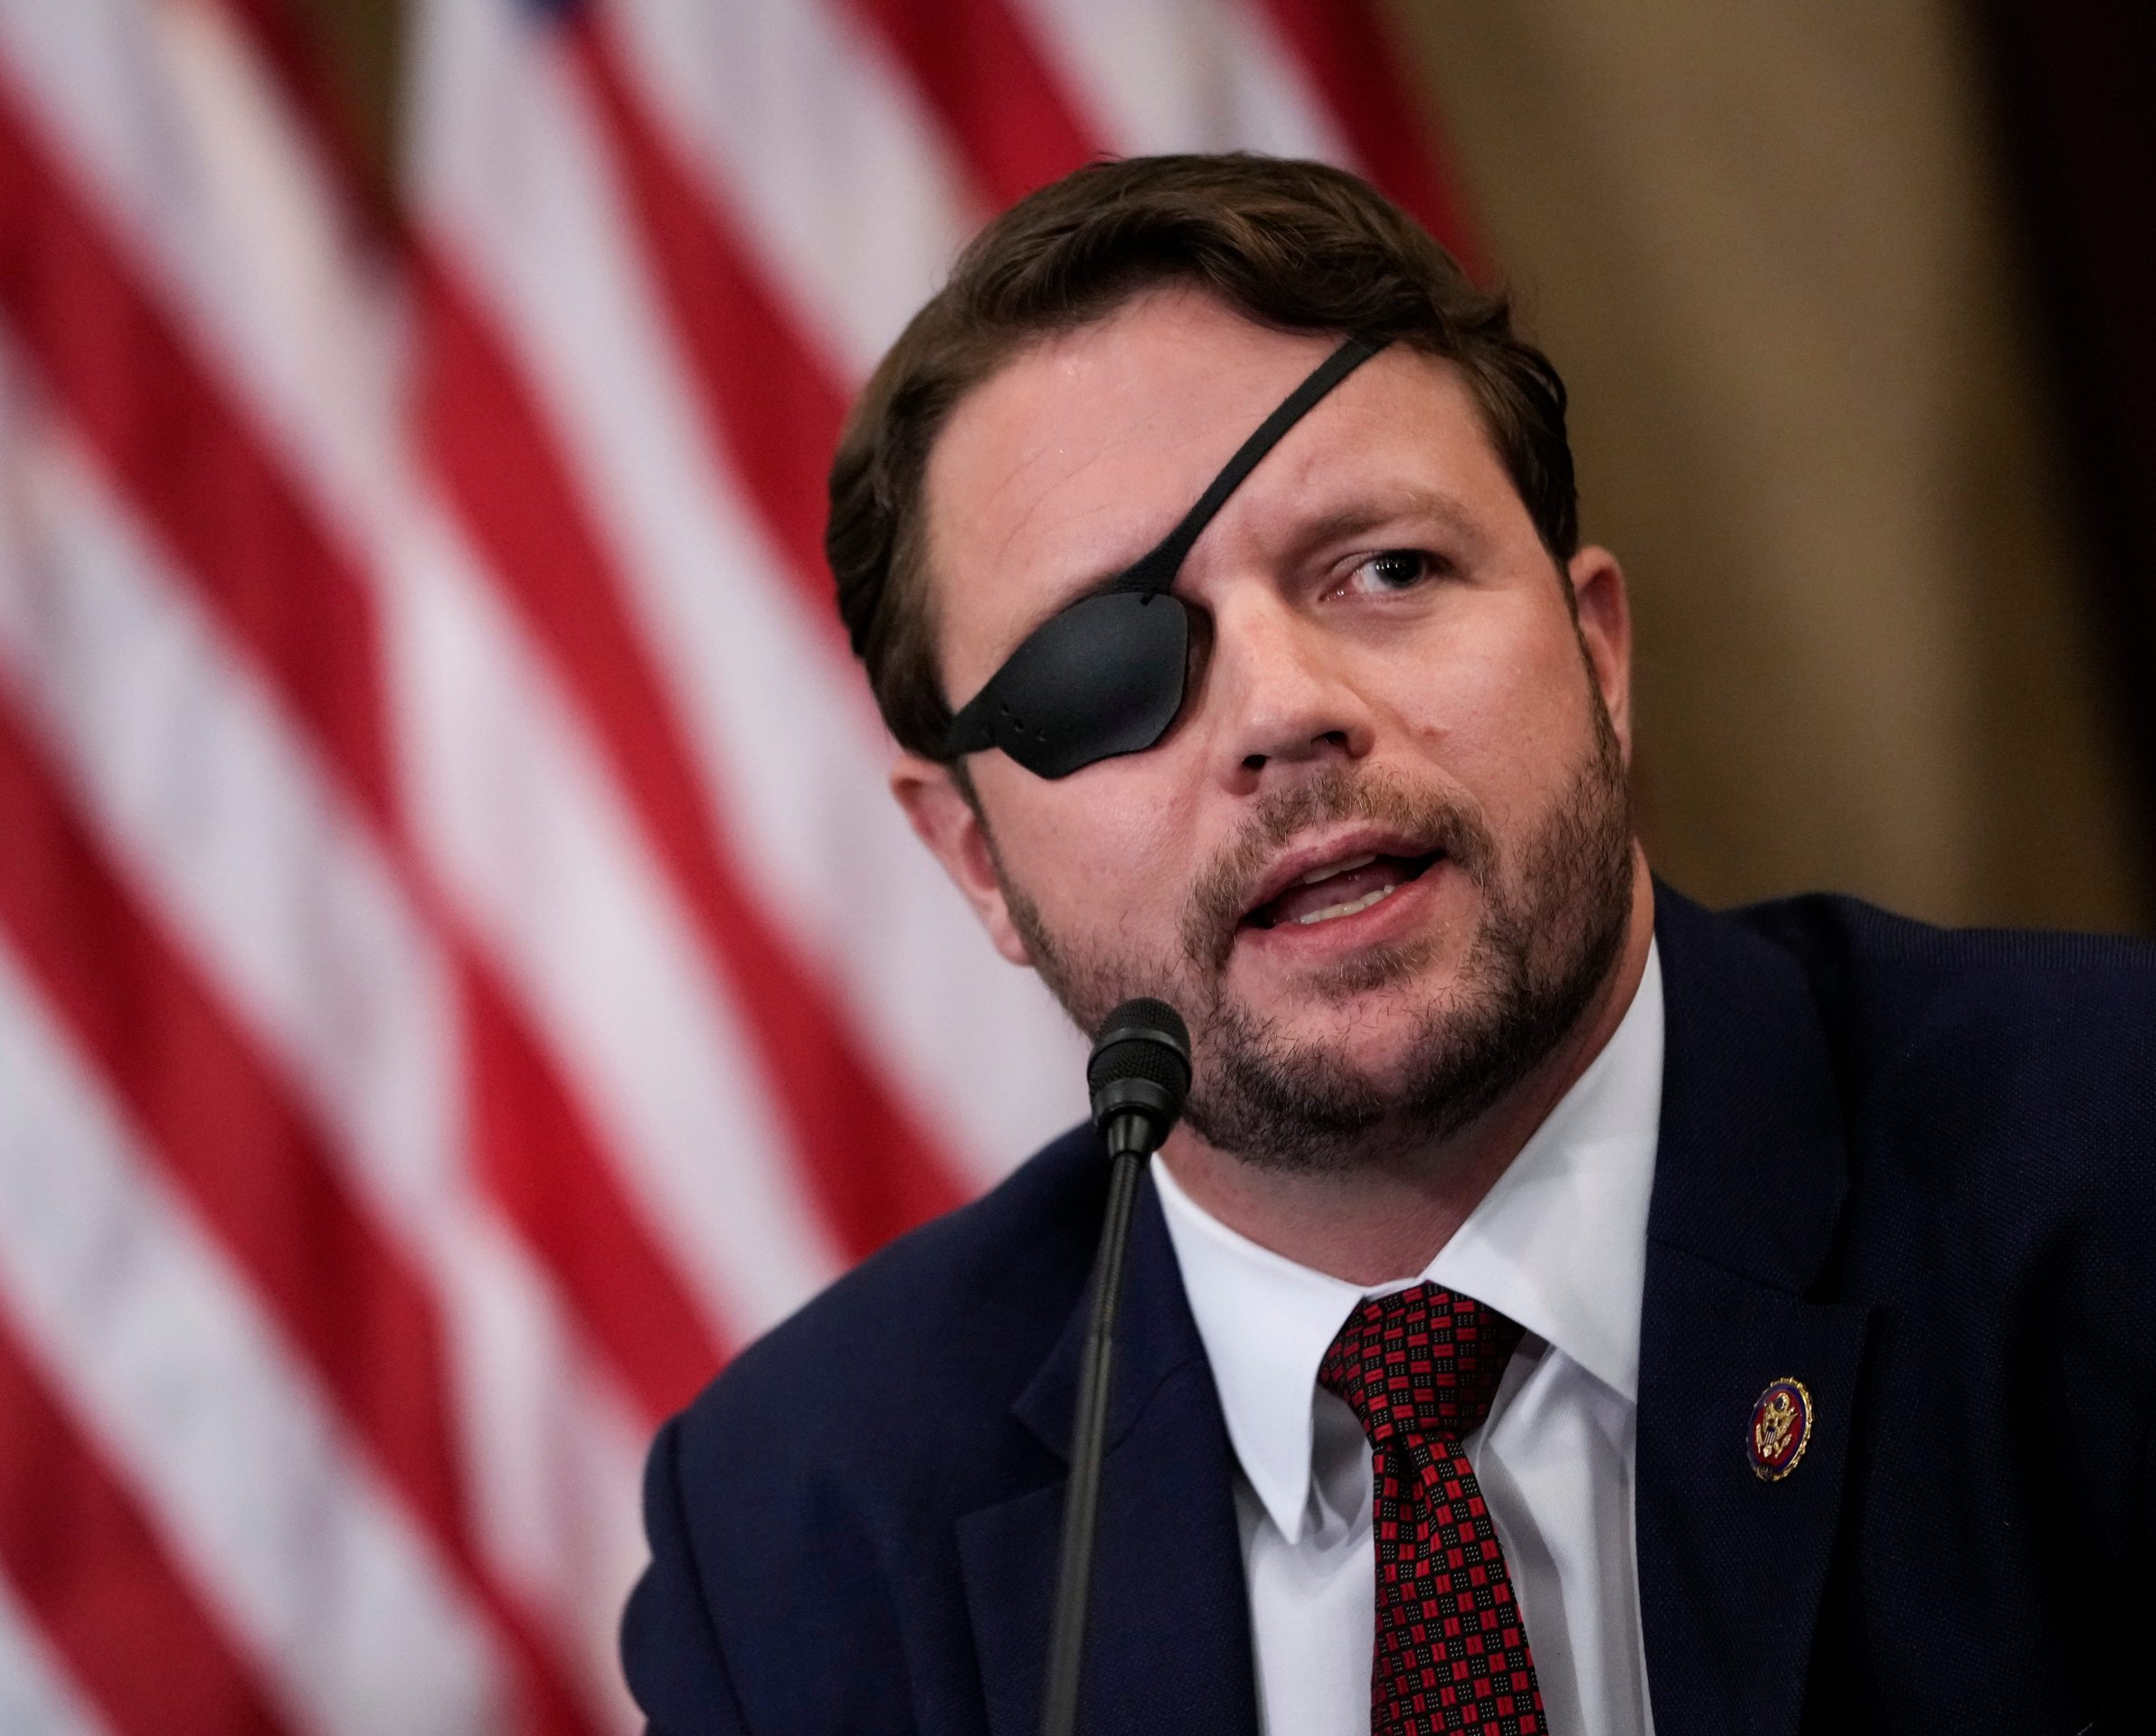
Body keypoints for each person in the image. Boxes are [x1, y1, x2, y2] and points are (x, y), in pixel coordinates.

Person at [619, 154, 2155, 1734]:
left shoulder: (2107, 1168)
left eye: (1388, 571)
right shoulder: (803, 1536)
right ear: (977, 866)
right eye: (1107, 672)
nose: (1285, 711)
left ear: (1599, 653)